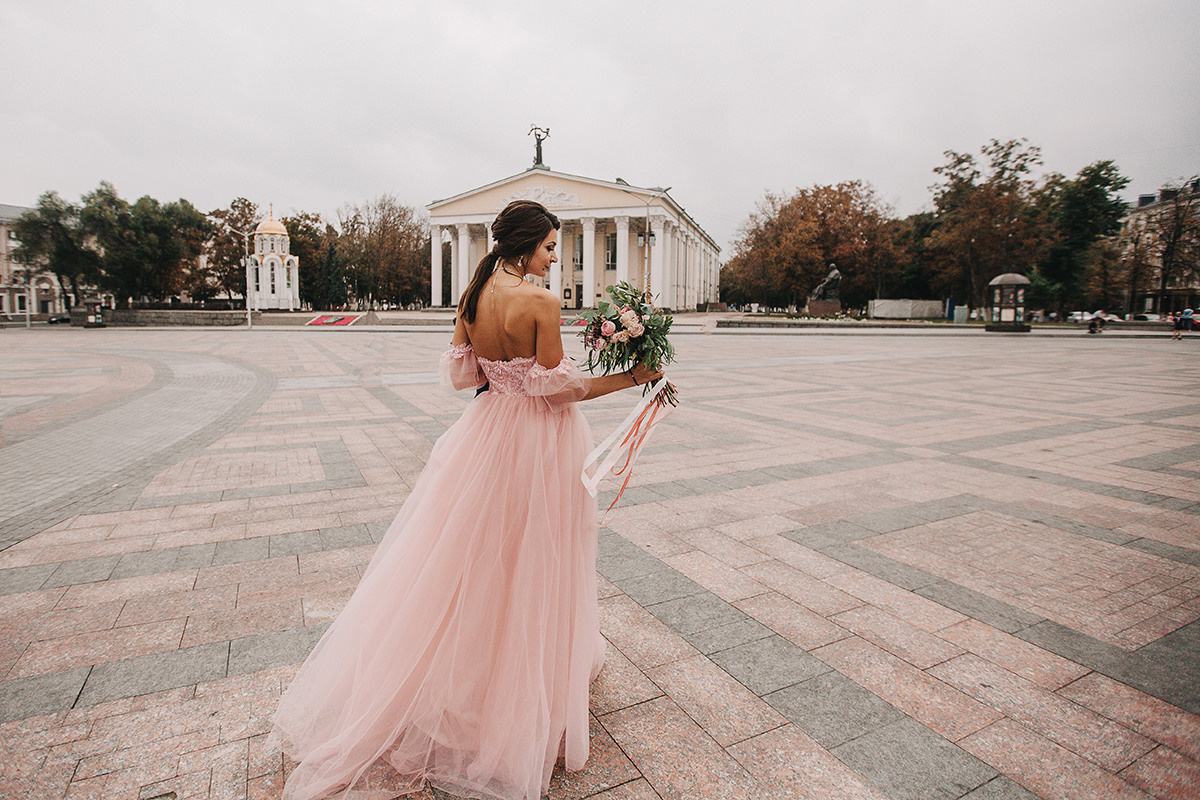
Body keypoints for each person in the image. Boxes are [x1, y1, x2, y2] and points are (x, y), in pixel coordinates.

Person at [270, 200, 662, 800]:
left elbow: (462, 376)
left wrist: (501, 377)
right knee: (535, 556)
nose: (556, 258)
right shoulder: (542, 302)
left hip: (485, 434)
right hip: (537, 441)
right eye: (552, 247)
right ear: (526, 245)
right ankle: (518, 687)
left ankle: (467, 675)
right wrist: (634, 377)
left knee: (469, 556)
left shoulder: (474, 295)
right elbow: (558, 390)